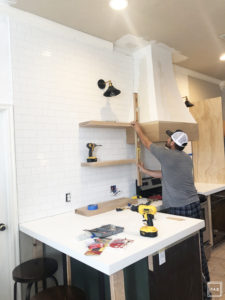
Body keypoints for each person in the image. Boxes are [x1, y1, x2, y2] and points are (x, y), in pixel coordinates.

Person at [131, 121, 210, 299]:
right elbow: (164, 174)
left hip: (181, 208)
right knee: (195, 249)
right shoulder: (184, 158)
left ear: (173, 143)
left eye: (169, 138)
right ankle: (202, 289)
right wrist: (145, 170)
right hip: (192, 205)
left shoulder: (167, 155)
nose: (167, 139)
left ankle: (199, 290)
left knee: (185, 250)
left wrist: (137, 128)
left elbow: (146, 142)